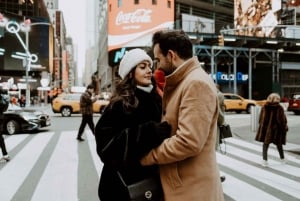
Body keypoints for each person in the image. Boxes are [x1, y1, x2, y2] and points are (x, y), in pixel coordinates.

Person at [140, 30, 224, 201]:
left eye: (158, 60)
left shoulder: (196, 83)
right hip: (185, 185)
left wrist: (147, 157)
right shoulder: (185, 81)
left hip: (193, 190)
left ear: (171, 55)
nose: (157, 66)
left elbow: (188, 141)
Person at [94, 48, 171, 201]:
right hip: (122, 185)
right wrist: (148, 133)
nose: (149, 71)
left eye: (150, 66)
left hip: (153, 181)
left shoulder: (158, 98)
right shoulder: (120, 103)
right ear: (130, 73)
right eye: (142, 67)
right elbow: (105, 146)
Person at [255, 92, 288, 167]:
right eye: (278, 98)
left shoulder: (265, 107)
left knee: (265, 145)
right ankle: (282, 159)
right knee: (279, 144)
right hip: (276, 130)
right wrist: (284, 128)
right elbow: (281, 120)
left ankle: (264, 160)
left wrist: (263, 127)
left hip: (267, 130)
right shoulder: (279, 108)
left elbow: (261, 119)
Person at [216, 84, 226, 183]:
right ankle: (215, 177)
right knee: (211, 154)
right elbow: (218, 112)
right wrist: (222, 121)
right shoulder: (218, 95)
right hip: (213, 128)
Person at [0, 89, 10, 162]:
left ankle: (5, 154)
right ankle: (5, 154)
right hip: (1, 117)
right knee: (0, 137)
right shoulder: (2, 98)